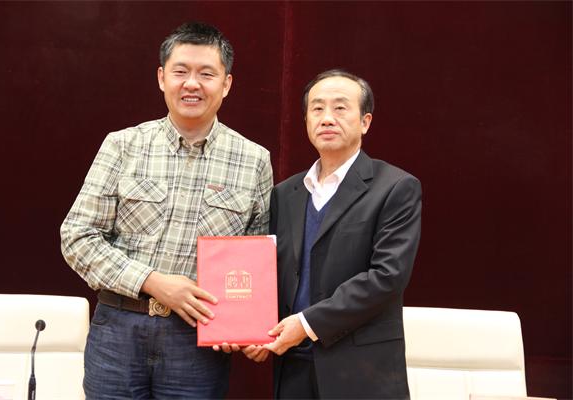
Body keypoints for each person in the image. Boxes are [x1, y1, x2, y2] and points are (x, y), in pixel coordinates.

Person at [60, 22, 273, 399]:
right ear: (162, 78)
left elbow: (255, 263)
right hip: (118, 332)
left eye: (206, 74)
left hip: (196, 344)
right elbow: (77, 237)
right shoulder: (123, 145)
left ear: (226, 84)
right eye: (180, 71)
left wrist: (241, 325)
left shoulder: (254, 160)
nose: (192, 84)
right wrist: (153, 281)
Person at [244, 69, 422, 399]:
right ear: (306, 121)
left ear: (365, 122)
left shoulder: (395, 187)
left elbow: (387, 276)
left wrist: (306, 324)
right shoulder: (285, 193)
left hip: (361, 370)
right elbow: (272, 272)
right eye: (317, 108)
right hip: (292, 366)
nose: (327, 118)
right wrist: (253, 328)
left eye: (340, 108)